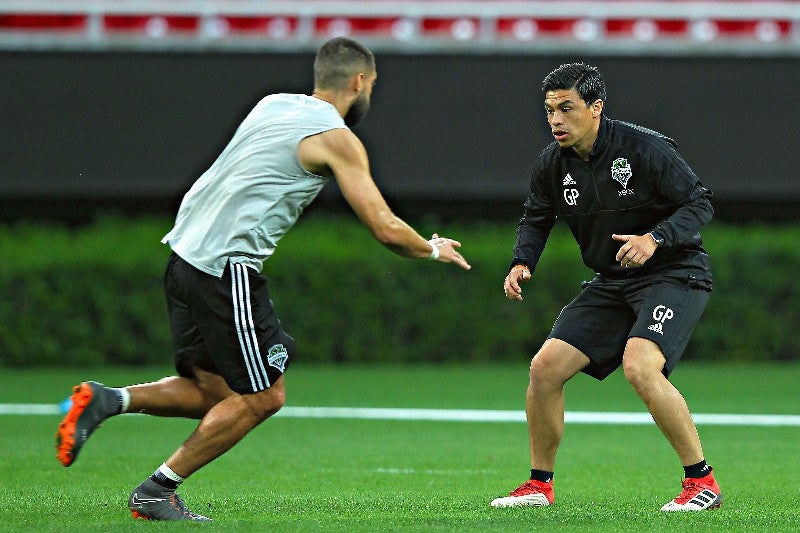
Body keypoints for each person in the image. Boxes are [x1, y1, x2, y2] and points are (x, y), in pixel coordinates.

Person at [55, 36, 471, 522]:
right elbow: (384, 227)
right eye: (371, 86)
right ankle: (156, 491)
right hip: (225, 269)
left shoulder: (272, 104)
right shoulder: (338, 138)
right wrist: (431, 248)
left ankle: (107, 400)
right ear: (359, 82)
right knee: (264, 397)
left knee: (213, 395)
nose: (369, 95)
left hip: (184, 259)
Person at [489, 63, 721, 512]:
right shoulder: (552, 165)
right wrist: (522, 261)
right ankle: (539, 485)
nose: (555, 119)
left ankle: (701, 482)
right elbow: (536, 218)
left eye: (567, 108)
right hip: (612, 281)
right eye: (550, 109)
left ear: (596, 108)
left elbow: (700, 202)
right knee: (545, 369)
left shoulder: (645, 148)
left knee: (639, 365)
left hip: (674, 272)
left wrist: (655, 239)